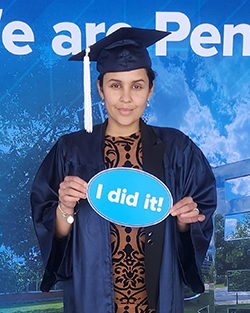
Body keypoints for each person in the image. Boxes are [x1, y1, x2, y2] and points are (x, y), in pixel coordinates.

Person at [31, 27, 217, 313]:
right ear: (100, 88)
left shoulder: (177, 148)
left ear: (150, 89)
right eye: (116, 85)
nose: (126, 98)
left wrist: (185, 220)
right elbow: (54, 233)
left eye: (137, 86)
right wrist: (64, 208)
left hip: (157, 302)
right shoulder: (71, 150)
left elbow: (197, 221)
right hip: (91, 297)